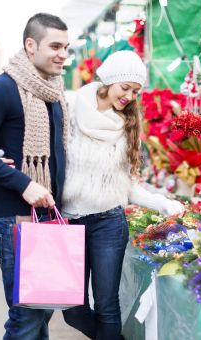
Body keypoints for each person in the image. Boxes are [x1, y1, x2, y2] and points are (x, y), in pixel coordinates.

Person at [0, 13, 69, 339]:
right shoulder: (0, 89)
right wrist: (25, 182)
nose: (63, 54)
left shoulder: (53, 93)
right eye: (55, 46)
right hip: (15, 218)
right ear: (30, 45)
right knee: (26, 317)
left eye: (66, 47)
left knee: (40, 313)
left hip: (48, 217)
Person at [61, 50, 184, 340]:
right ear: (108, 80)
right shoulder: (70, 108)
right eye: (125, 87)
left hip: (108, 222)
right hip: (69, 222)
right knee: (72, 308)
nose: (129, 96)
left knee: (106, 304)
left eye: (136, 91)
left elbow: (127, 186)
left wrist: (163, 203)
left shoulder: (127, 124)